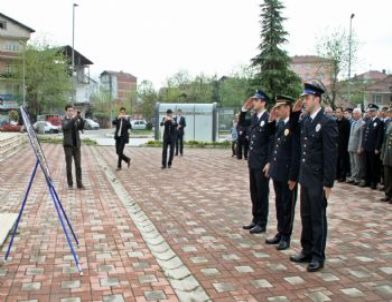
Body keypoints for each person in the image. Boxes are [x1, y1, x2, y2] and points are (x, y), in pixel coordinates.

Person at [289, 82, 338, 272]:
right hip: (306, 177)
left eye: (307, 98)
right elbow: (292, 133)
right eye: (304, 98)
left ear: (317, 99)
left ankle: (318, 255)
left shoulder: (327, 122)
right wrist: (294, 112)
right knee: (306, 216)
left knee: (318, 218)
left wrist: (328, 183)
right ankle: (306, 249)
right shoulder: (306, 120)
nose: (304, 101)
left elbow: (330, 154)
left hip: (318, 180)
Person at [265, 96, 300, 250]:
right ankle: (280, 232)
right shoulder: (280, 124)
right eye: (276, 108)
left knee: (288, 205)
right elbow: (273, 144)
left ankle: (286, 236)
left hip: (287, 174)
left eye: (279, 108)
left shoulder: (294, 126)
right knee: (279, 203)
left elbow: (295, 152)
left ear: (288, 108)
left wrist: (293, 176)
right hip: (278, 172)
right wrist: (271, 121)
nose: (277, 110)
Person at [240, 90, 273, 234]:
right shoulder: (254, 117)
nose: (253, 102)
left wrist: (269, 161)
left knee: (262, 192)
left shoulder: (268, 118)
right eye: (253, 100)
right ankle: (255, 219)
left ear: (263, 102)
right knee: (254, 192)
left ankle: (262, 222)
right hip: (253, 161)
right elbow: (242, 123)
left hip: (262, 162)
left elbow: (271, 142)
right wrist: (243, 110)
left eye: (256, 100)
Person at [360, 104, 384, 189]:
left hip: (374, 148)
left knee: (374, 166)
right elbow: (365, 135)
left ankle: (374, 182)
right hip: (367, 147)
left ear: (376, 112)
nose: (371, 113)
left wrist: (377, 148)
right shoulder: (369, 121)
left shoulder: (379, 122)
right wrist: (363, 145)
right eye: (370, 111)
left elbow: (379, 136)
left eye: (373, 111)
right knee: (367, 165)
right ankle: (368, 180)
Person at [62, 104, 85, 190]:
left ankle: (79, 184)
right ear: (66, 111)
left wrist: (80, 118)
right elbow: (67, 126)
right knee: (69, 166)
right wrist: (75, 118)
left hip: (76, 146)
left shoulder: (75, 120)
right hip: (68, 146)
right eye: (69, 110)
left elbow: (81, 127)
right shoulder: (64, 120)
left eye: (72, 110)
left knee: (78, 165)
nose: (71, 112)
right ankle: (70, 184)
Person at [347, 108, 365, 185]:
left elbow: (361, 137)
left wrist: (360, 147)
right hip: (351, 145)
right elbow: (350, 136)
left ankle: (358, 178)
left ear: (359, 114)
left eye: (355, 113)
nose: (353, 115)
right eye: (353, 113)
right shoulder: (353, 123)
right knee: (352, 162)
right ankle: (353, 176)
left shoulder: (362, 123)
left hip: (357, 146)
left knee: (358, 163)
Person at [335, 107, 351, 182]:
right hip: (335, 144)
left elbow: (348, 135)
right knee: (336, 160)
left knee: (342, 161)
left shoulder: (346, 122)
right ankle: (337, 175)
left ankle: (342, 176)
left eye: (339, 112)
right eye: (336, 112)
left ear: (342, 113)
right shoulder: (335, 121)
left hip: (343, 145)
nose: (337, 114)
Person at [381, 108, 392, 203]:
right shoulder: (389, 124)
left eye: (390, 112)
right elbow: (385, 140)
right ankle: (387, 194)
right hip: (387, 154)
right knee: (387, 175)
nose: (389, 114)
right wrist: (383, 153)